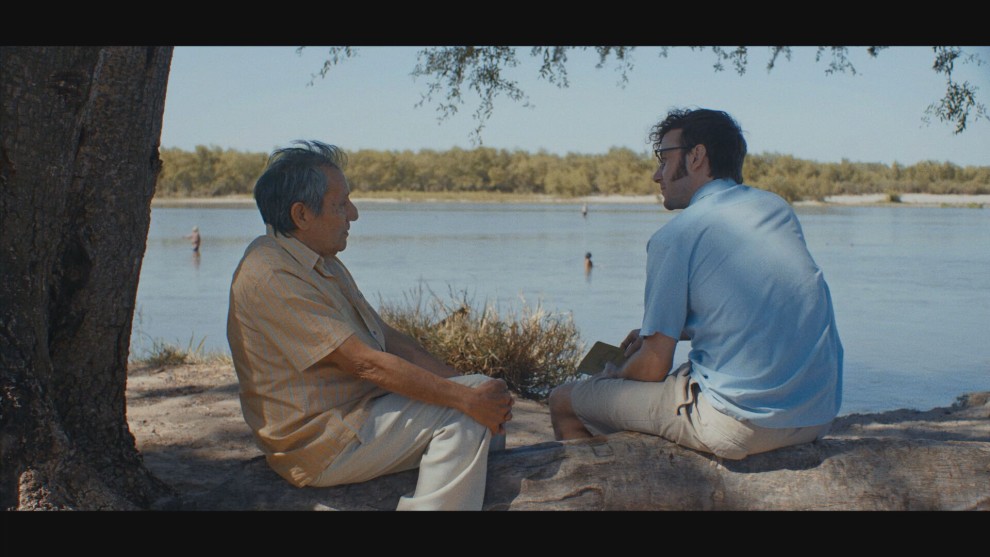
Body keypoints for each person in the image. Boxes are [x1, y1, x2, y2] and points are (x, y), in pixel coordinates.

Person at [226, 140, 513, 510]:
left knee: (483, 403)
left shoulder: (321, 262)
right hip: (321, 442)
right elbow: (364, 362)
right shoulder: (271, 272)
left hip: (359, 416)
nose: (354, 214)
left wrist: (467, 385)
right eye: (341, 204)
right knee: (466, 411)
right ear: (301, 214)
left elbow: (388, 339)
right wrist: (465, 398)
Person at [549, 108, 842, 460]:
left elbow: (652, 367)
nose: (657, 175)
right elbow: (771, 306)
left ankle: (595, 484)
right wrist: (668, 332)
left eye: (663, 158)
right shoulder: (775, 209)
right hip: (816, 416)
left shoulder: (674, 237)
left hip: (740, 424)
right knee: (674, 380)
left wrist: (616, 372)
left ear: (697, 156)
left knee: (564, 400)